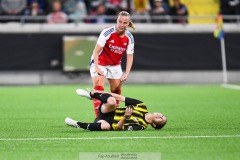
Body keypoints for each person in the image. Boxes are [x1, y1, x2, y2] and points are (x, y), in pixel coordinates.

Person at [89, 11, 135, 118]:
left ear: (128, 23)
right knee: (98, 86)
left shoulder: (129, 38)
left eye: (125, 23)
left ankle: (114, 117)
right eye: (120, 22)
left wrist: (127, 73)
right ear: (117, 21)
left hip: (115, 64)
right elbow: (96, 51)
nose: (122, 25)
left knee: (116, 91)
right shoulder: (107, 32)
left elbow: (130, 56)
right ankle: (99, 118)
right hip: (100, 61)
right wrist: (96, 67)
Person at [65, 89, 167, 131]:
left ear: (154, 125)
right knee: (113, 102)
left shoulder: (141, 126)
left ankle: (77, 124)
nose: (160, 116)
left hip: (109, 122)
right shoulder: (142, 105)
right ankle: (91, 95)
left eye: (161, 120)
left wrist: (125, 118)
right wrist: (98, 92)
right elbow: (120, 97)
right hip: (109, 110)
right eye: (162, 115)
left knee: (106, 127)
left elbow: (119, 128)